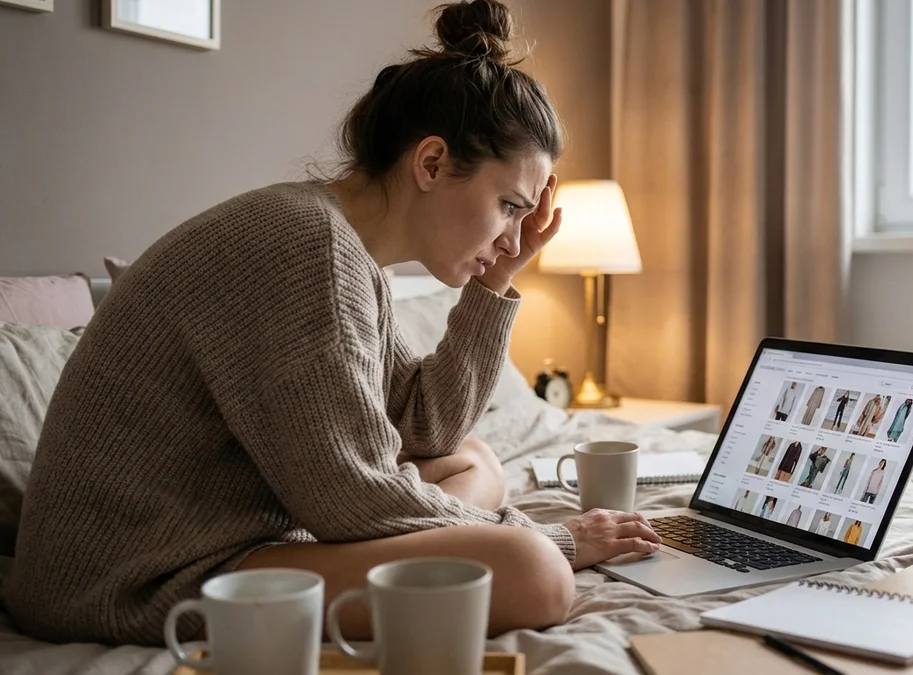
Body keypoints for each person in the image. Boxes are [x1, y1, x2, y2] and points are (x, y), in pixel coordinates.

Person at [5, 0, 663, 647]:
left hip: (222, 533)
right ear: (431, 164)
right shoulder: (305, 245)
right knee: (537, 573)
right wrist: (544, 536)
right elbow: (353, 500)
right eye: (508, 206)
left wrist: (497, 281)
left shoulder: (344, 254)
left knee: (476, 456)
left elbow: (428, 428)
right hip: (133, 575)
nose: (514, 236)